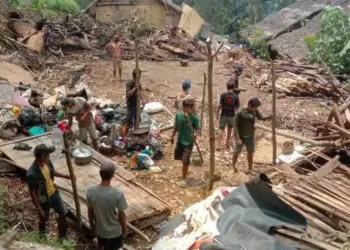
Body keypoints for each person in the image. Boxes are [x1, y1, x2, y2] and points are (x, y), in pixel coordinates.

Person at [26, 144, 71, 238]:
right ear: (42, 156)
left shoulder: (47, 162)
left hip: (54, 193)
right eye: (47, 155)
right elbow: (32, 192)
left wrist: (65, 176)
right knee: (44, 218)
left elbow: (52, 172)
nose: (49, 157)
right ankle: (41, 237)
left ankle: (63, 238)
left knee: (62, 214)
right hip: (44, 199)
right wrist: (38, 208)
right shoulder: (32, 174)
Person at [87, 160, 128, 250]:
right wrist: (124, 231)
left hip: (101, 232)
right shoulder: (118, 194)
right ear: (113, 175)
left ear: (100, 174)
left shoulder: (90, 191)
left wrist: (92, 226)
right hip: (116, 233)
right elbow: (122, 216)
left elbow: (90, 212)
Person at [232, 97, 270, 172]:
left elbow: (260, 117)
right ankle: (233, 165)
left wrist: (268, 116)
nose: (255, 109)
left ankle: (250, 168)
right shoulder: (240, 113)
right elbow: (235, 126)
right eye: (254, 107)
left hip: (250, 135)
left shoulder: (254, 110)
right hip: (241, 136)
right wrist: (238, 138)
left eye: (256, 107)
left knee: (250, 152)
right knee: (237, 151)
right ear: (249, 105)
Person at [171, 98, 200, 187]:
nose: (186, 109)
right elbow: (176, 126)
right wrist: (172, 136)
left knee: (185, 161)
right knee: (177, 156)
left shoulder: (194, 118)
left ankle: (184, 177)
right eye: (184, 107)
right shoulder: (179, 115)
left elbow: (198, 128)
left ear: (191, 108)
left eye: (188, 108)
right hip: (180, 140)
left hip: (188, 142)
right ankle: (185, 165)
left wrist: (195, 134)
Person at [216, 80, 240, 149]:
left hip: (223, 115)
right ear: (233, 88)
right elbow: (237, 108)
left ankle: (218, 145)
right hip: (231, 116)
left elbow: (219, 105)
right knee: (229, 131)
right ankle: (227, 144)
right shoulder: (236, 97)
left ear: (227, 87)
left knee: (221, 129)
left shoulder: (223, 95)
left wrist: (217, 113)